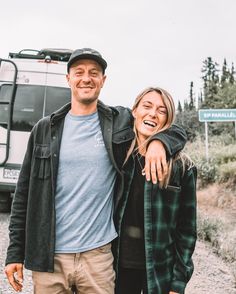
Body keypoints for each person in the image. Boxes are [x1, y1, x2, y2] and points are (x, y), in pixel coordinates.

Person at [5, 48, 187, 294]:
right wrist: (15, 252)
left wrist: (160, 143)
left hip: (98, 257)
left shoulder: (119, 122)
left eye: (94, 72)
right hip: (50, 257)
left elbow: (169, 126)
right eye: (78, 72)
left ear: (103, 80)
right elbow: (23, 193)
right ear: (68, 78)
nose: (86, 78)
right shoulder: (45, 129)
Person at [113, 87, 197, 294]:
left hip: (160, 273)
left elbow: (187, 231)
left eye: (161, 110)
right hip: (116, 269)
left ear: (168, 120)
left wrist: (178, 283)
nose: (152, 113)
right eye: (147, 106)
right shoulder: (117, 156)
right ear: (134, 111)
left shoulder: (182, 167)